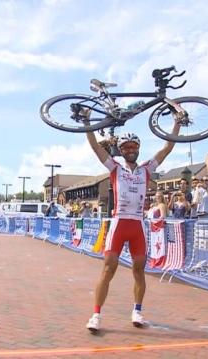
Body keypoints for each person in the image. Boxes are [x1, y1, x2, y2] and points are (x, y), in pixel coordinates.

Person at [81, 108, 183, 332]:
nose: (129, 150)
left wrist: (176, 123)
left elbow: (167, 148)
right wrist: (88, 122)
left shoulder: (146, 169)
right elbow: (96, 147)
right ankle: (96, 314)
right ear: (121, 150)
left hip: (137, 225)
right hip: (119, 223)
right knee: (109, 269)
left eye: (133, 147)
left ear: (137, 149)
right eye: (126, 147)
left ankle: (137, 310)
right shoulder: (115, 167)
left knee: (139, 270)